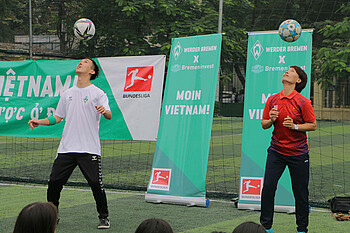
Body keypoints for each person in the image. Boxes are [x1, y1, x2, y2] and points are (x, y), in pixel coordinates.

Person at [28, 58, 112, 229]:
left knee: (96, 184)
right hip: (66, 148)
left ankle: (104, 217)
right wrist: (40, 121)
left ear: (92, 71)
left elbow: (109, 114)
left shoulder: (98, 93)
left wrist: (104, 111)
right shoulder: (67, 93)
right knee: (54, 183)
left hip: (89, 149)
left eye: (86, 62)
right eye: (80, 61)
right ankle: (53, 217)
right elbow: (57, 117)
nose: (81, 63)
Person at [259, 66, 317, 233]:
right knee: (268, 187)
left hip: (298, 154)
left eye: (291, 71)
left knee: (300, 193)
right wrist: (270, 119)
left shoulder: (303, 102)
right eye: (286, 70)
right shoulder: (272, 99)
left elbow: (312, 125)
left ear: (298, 80)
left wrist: (295, 126)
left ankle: (302, 229)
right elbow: (264, 125)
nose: (287, 72)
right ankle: (266, 227)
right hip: (276, 151)